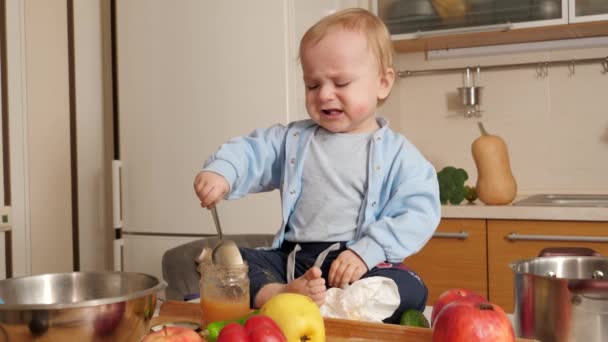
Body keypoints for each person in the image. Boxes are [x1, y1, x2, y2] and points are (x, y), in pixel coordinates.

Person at [193, 8, 440, 324]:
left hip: (357, 265)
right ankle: (280, 294)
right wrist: (223, 171)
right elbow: (253, 152)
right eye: (312, 85)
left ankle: (339, 304)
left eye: (341, 82)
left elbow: (420, 210)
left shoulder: (400, 155)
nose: (325, 95)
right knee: (224, 261)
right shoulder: (294, 139)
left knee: (412, 289)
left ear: (382, 83)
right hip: (294, 262)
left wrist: (369, 250)